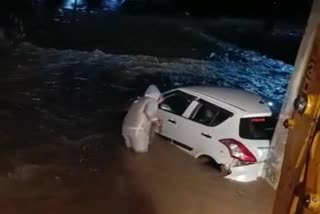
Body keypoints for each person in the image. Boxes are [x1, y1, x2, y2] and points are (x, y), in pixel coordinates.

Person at [122, 85, 163, 153]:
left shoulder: (139, 100)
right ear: (157, 95)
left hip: (125, 128)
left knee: (129, 151)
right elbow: (149, 112)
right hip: (138, 131)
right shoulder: (152, 101)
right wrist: (157, 122)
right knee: (141, 154)